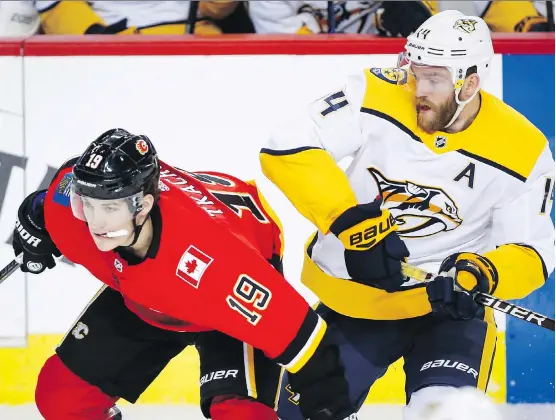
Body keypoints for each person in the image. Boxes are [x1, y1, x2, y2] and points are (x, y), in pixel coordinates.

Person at [260, 9, 554, 419]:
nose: (418, 87)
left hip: (447, 313)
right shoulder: (374, 92)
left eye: (434, 78)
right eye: (415, 71)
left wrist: (479, 273)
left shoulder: (522, 148)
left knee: (449, 413)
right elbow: (285, 147)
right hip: (355, 302)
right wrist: (353, 224)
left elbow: (532, 251)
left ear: (469, 83)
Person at [12, 128, 357, 420]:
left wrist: (327, 396)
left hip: (228, 283)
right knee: (62, 397)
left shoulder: (221, 266)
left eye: (110, 207)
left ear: (143, 206)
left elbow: (305, 338)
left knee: (240, 413)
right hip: (148, 298)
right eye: (87, 203)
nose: (95, 222)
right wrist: (35, 219)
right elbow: (52, 198)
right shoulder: (71, 213)